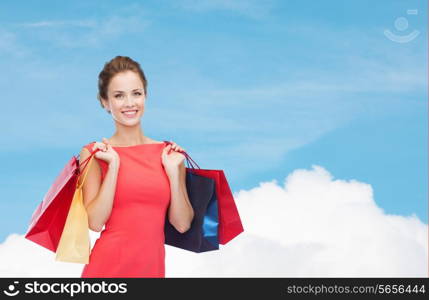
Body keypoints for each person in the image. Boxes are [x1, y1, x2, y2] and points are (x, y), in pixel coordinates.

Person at [79, 55, 194, 278]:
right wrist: (113, 167)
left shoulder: (168, 154)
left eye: (136, 93)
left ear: (146, 96)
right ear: (105, 101)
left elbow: (182, 224)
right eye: (119, 96)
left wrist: (172, 173)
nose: (130, 103)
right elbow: (94, 222)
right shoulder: (95, 153)